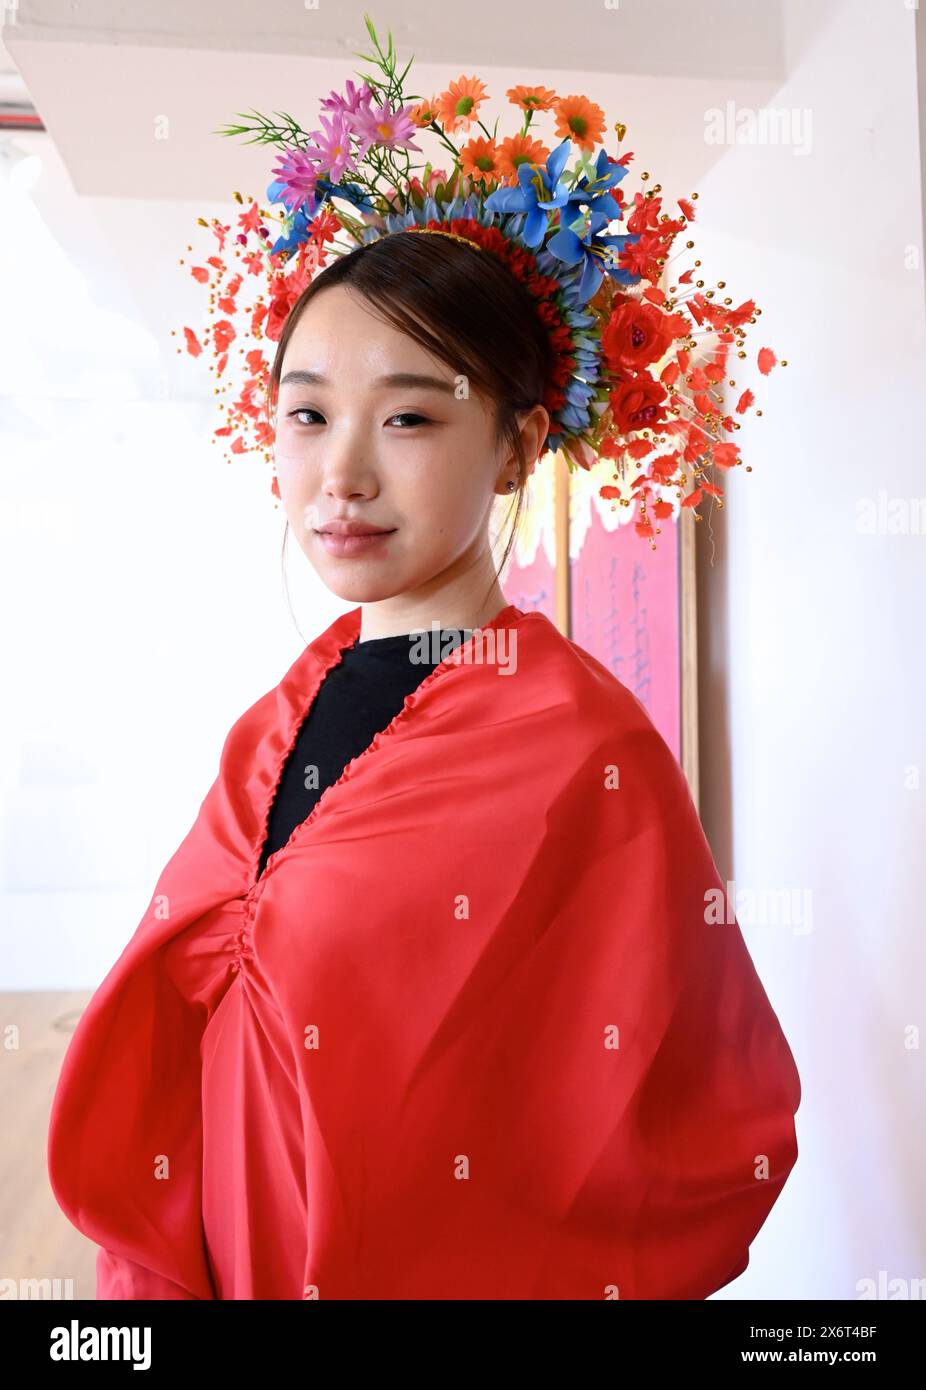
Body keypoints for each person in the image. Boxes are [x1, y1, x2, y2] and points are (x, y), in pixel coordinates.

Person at [46, 228, 801, 1300]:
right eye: (307, 415)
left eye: (406, 417)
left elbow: (702, 1114)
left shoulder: (586, 755)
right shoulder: (268, 732)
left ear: (516, 446)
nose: (342, 473)